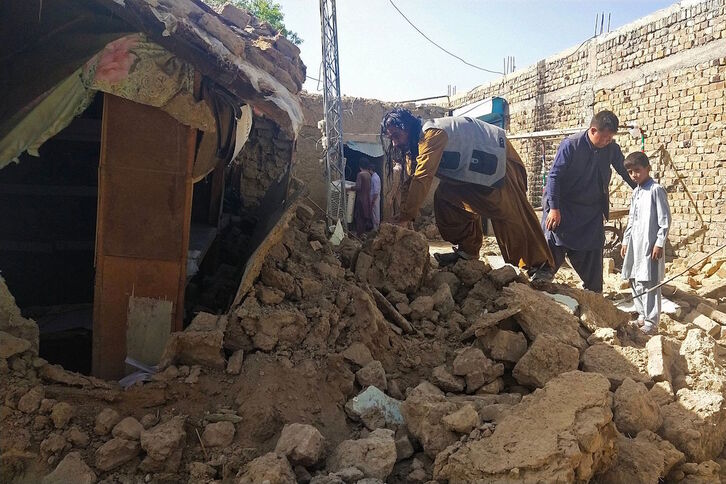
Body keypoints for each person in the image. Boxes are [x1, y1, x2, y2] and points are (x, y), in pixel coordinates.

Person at [381, 108, 554, 273]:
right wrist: (403, 215)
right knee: (445, 198)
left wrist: (406, 217)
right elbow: (411, 182)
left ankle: (540, 265)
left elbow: (422, 178)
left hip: (499, 160)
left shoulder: (432, 134)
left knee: (511, 214)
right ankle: (468, 251)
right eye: (391, 138)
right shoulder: (414, 146)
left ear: (408, 128)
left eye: (397, 136)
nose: (395, 143)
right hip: (472, 174)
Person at [541, 110, 637, 292]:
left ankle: (594, 293)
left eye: (610, 138)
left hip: (590, 212)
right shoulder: (571, 145)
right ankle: (540, 282)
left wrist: (643, 188)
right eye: (604, 138)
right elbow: (554, 176)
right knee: (553, 242)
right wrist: (554, 208)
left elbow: (625, 171)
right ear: (593, 130)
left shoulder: (611, 149)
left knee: (593, 252)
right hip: (564, 207)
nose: (607, 142)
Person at [620, 152, 671, 335]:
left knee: (650, 282)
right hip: (635, 244)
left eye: (637, 171)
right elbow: (631, 220)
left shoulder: (656, 190)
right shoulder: (636, 192)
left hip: (650, 245)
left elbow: (664, 220)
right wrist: (626, 241)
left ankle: (651, 320)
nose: (634, 175)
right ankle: (641, 314)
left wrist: (659, 243)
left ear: (647, 169)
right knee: (634, 278)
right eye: (631, 172)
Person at [351, 161, 373, 236]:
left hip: (360, 199)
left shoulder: (360, 174)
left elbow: (358, 187)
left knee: (359, 217)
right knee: (364, 217)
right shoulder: (369, 175)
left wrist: (349, 188)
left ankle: (359, 235)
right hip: (367, 199)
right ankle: (363, 234)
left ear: (360, 166)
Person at [367, 160, 381, 230]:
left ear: (370, 169)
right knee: (374, 213)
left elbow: (376, 191)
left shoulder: (375, 178)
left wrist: (373, 201)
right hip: (374, 198)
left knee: (375, 213)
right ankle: (375, 227)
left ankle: (376, 228)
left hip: (374, 198)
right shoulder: (375, 177)